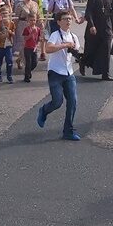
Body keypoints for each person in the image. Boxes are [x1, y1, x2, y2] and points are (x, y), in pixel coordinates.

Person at [36, 11, 82, 141]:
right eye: (65, 19)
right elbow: (49, 49)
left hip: (69, 73)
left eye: (70, 19)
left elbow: (75, 53)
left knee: (73, 101)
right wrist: (64, 45)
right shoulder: (56, 35)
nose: (68, 21)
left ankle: (68, 131)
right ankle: (44, 110)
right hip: (55, 72)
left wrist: (81, 57)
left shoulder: (73, 37)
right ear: (58, 22)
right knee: (57, 102)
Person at [80, 0, 113, 81]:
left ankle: (106, 74)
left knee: (106, 50)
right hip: (94, 27)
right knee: (91, 50)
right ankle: (83, 61)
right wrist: (91, 25)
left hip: (106, 27)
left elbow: (112, 13)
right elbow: (89, 11)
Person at [13, 0, 40, 69]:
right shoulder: (20, 5)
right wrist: (13, 28)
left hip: (33, 26)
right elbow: (16, 18)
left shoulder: (35, 4)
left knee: (31, 45)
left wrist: (40, 25)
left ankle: (20, 59)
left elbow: (38, 15)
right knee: (23, 45)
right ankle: (27, 66)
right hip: (22, 25)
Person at [0, 6, 16, 83]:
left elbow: (14, 34)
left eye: (6, 13)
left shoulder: (11, 23)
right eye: (3, 13)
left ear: (9, 13)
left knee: (9, 60)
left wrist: (10, 32)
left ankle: (9, 76)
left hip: (8, 45)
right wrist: (2, 35)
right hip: (0, 45)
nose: (4, 15)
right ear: (0, 14)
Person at [22, 13, 42, 83]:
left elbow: (38, 37)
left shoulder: (38, 29)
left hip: (34, 48)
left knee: (35, 62)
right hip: (27, 48)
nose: (32, 22)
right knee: (28, 62)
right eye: (31, 20)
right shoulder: (26, 29)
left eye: (34, 20)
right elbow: (25, 38)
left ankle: (28, 71)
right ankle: (26, 77)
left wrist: (39, 40)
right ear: (28, 21)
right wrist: (31, 34)